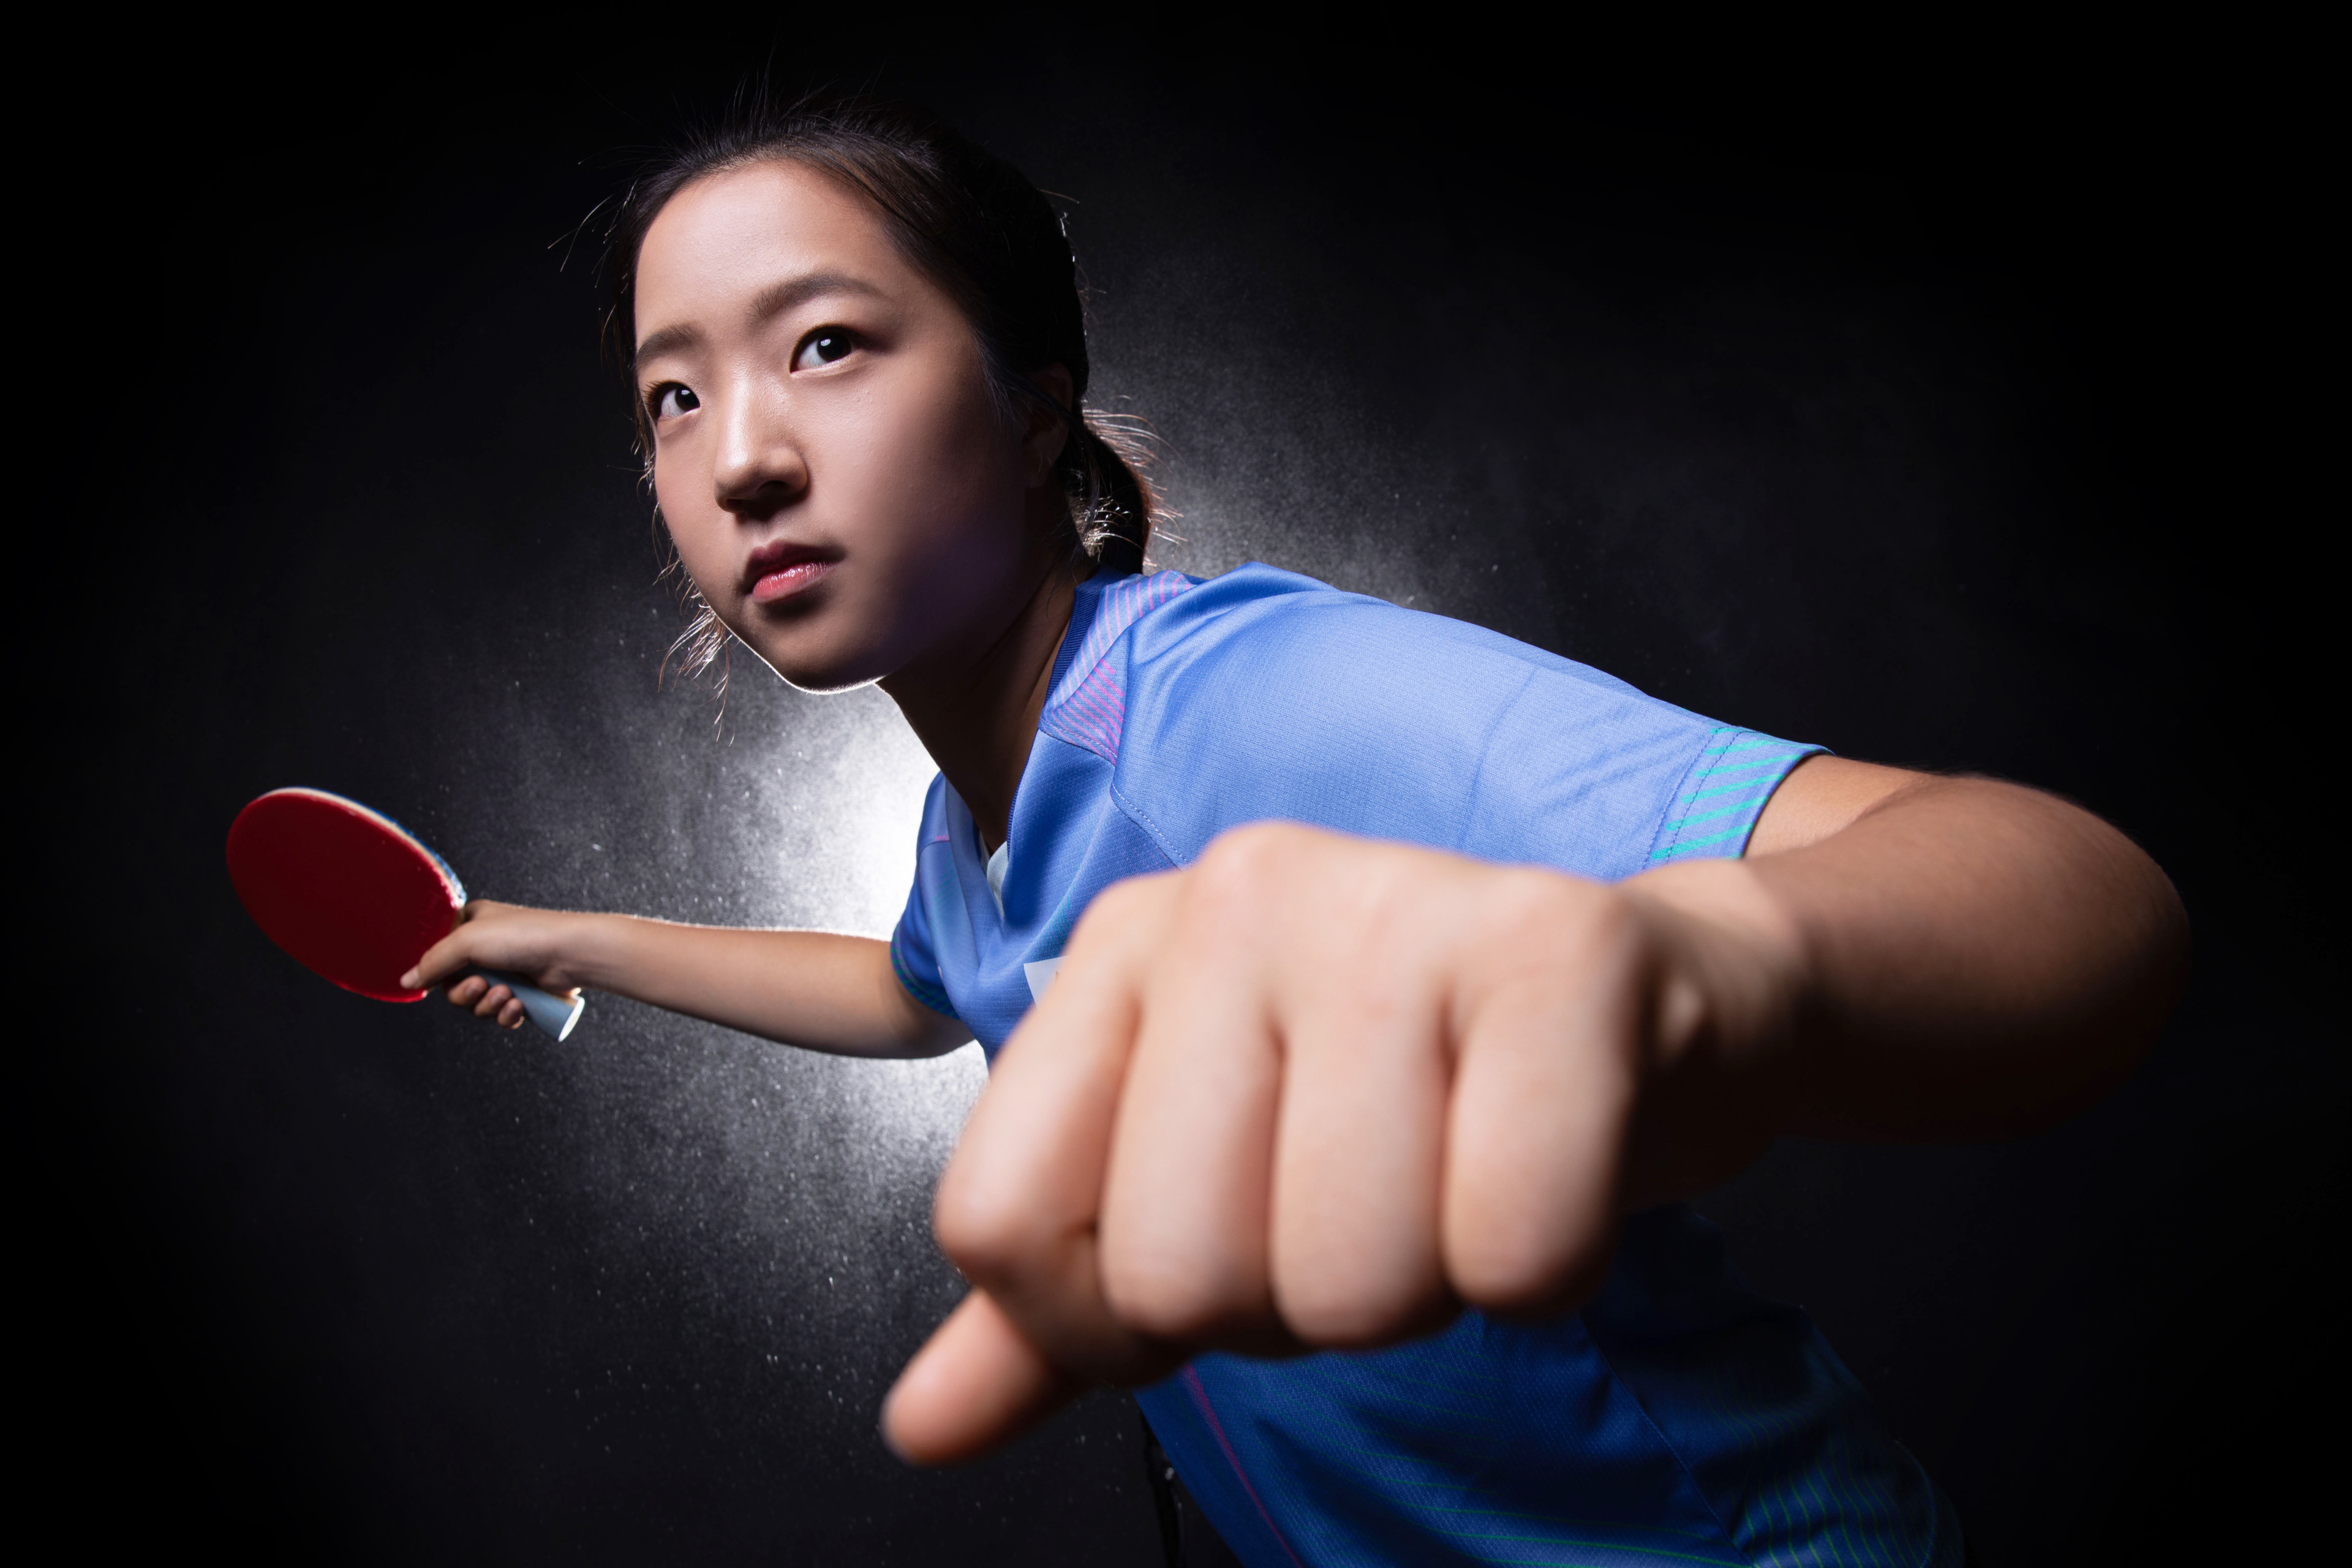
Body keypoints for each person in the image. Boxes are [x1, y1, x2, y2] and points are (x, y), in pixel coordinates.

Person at [405, 98, 2186, 1566]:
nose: (740, 459)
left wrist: (1705, 964)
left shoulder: (1250, 703)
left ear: (1034, 406)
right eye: (675, 395)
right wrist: (568, 941)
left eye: (827, 345)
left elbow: (2078, 900)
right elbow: (913, 990)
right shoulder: (978, 826)